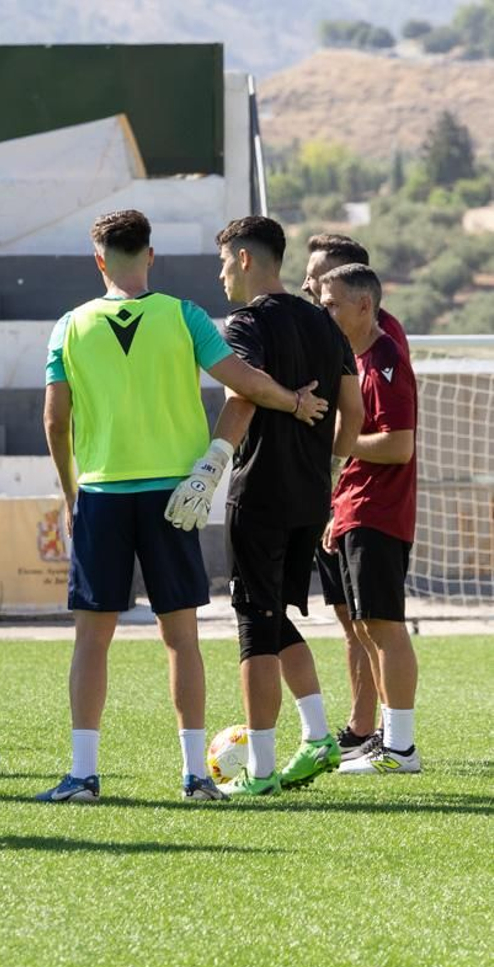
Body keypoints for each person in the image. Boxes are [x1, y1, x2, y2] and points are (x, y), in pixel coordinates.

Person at [36, 210, 326, 803]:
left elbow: (54, 420)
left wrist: (71, 495)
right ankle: (195, 775)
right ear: (149, 256)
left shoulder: (68, 326)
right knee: (181, 638)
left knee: (92, 639)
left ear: (99, 261)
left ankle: (83, 775)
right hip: (174, 497)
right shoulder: (183, 314)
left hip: (100, 492)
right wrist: (293, 403)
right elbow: (243, 380)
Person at [182, 216, 362, 797]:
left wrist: (211, 466)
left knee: (253, 624)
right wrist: (329, 467)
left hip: (260, 492)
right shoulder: (323, 322)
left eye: (222, 263)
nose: (220, 275)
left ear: (242, 258)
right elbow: (353, 413)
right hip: (311, 495)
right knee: (273, 615)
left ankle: (259, 772)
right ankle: (316, 736)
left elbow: (243, 390)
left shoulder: (249, 321)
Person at [300, 233, 411, 759]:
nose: (310, 289)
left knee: (380, 625)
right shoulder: (350, 349)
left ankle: (393, 740)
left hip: (377, 508)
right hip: (349, 505)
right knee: (360, 624)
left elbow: (397, 444)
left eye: (322, 288)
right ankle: (374, 734)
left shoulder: (383, 350)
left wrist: (337, 442)